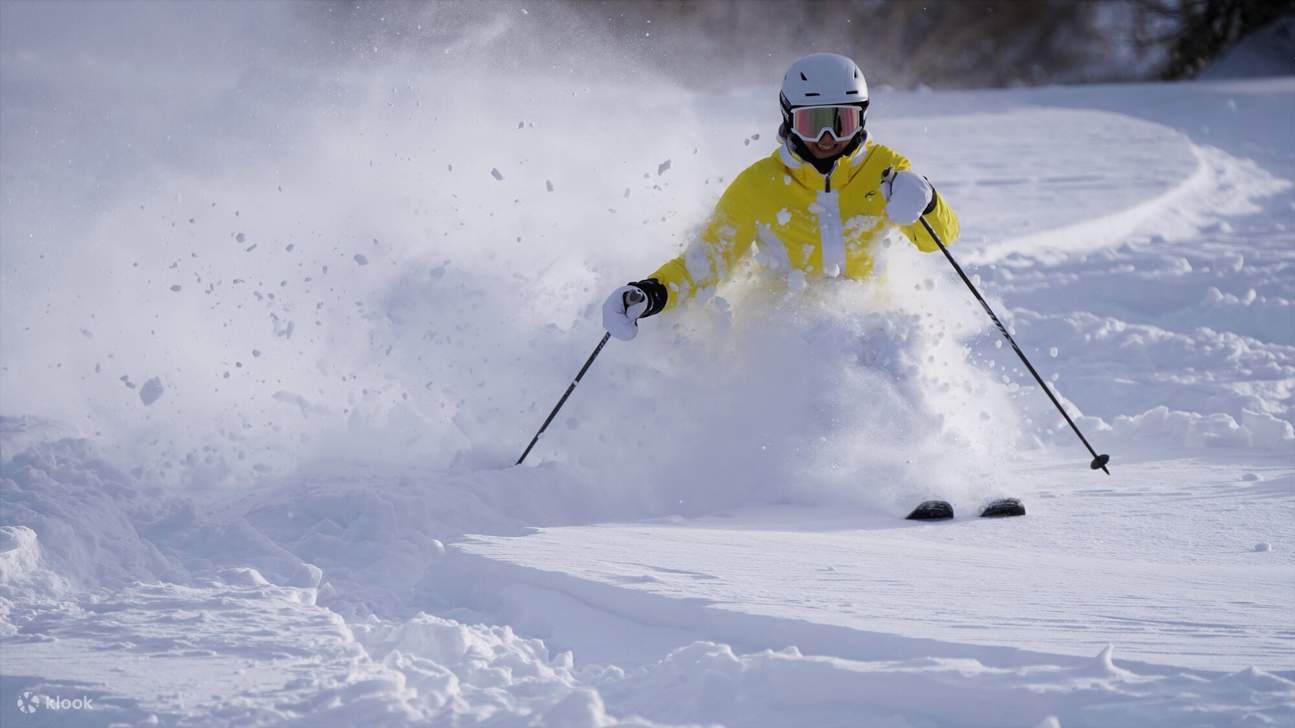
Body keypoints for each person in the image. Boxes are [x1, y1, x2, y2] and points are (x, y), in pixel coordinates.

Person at [602, 52, 960, 341]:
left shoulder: (887, 170)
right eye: (811, 122)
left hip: (871, 328)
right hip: (785, 336)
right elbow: (709, 259)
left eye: (841, 122)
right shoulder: (759, 185)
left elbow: (939, 240)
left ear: (862, 119)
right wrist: (653, 293)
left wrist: (928, 203)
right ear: (789, 119)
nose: (826, 137)